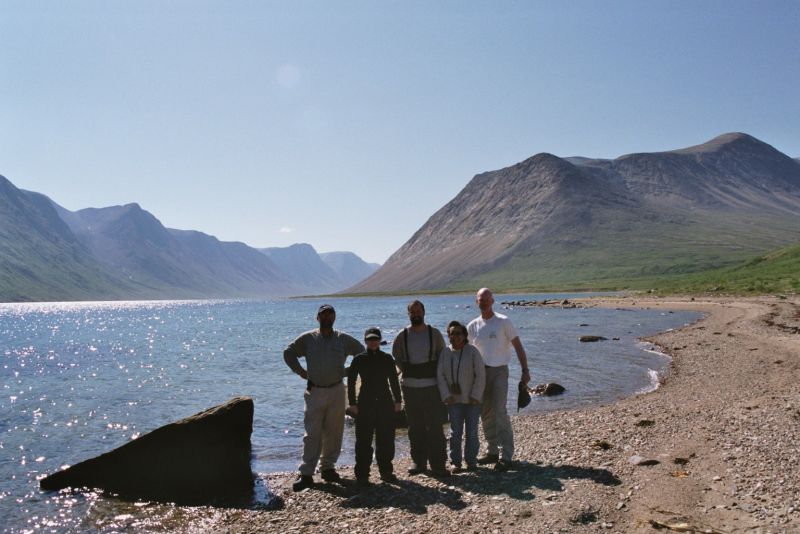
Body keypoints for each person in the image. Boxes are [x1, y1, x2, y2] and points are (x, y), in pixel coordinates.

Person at [284, 304, 364, 491]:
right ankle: (306, 473)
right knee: (312, 433)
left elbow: (362, 354)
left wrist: (348, 371)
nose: (327, 318)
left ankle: (328, 468)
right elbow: (288, 353)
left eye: (330, 315)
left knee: (334, 432)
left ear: (334, 317)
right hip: (315, 391)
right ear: (317, 318)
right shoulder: (308, 339)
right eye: (323, 315)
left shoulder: (342, 339)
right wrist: (301, 372)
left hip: (337, 390)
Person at [467, 288, 531, 472]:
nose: (484, 302)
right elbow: (467, 352)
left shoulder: (503, 321)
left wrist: (525, 370)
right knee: (485, 413)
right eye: (481, 300)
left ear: (492, 300)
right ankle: (492, 451)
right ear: (476, 302)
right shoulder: (472, 326)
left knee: (500, 411)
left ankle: (506, 455)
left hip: (500, 372)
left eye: (487, 299)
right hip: (480, 374)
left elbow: (518, 346)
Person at [391, 300, 449, 477]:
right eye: (412, 311)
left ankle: (438, 464)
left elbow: (443, 356)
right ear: (409, 314)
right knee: (415, 427)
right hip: (410, 388)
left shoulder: (435, 334)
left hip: (432, 387)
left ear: (424, 312)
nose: (416, 314)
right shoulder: (402, 335)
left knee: (435, 427)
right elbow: (396, 356)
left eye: (418, 311)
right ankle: (418, 462)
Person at [347, 327, 403, 487]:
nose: (373, 342)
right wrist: (352, 404)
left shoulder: (387, 358)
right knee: (363, 441)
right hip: (365, 402)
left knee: (386, 439)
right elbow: (350, 382)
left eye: (375, 339)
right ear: (365, 341)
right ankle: (362, 475)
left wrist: (398, 401)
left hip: (385, 402)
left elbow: (394, 381)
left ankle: (386, 471)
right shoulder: (358, 359)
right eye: (370, 339)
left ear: (379, 341)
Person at [437, 320, 485, 472]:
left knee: (471, 431)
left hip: (472, 400)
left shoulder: (473, 351)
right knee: (455, 432)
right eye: (452, 334)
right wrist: (445, 395)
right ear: (448, 336)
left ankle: (471, 461)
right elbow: (440, 376)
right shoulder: (445, 352)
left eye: (458, 333)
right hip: (453, 400)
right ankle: (455, 462)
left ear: (465, 335)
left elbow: (481, 375)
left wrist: (476, 395)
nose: (455, 336)